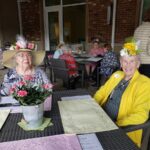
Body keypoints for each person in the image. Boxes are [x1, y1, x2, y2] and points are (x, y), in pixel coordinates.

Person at [94, 40, 150, 147]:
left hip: (121, 130)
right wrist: (94, 107)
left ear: (138, 64)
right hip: (101, 118)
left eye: (132, 61)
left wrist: (116, 124)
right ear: (120, 63)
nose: (128, 65)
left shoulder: (145, 83)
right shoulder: (117, 75)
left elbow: (141, 115)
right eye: (125, 61)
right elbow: (101, 92)